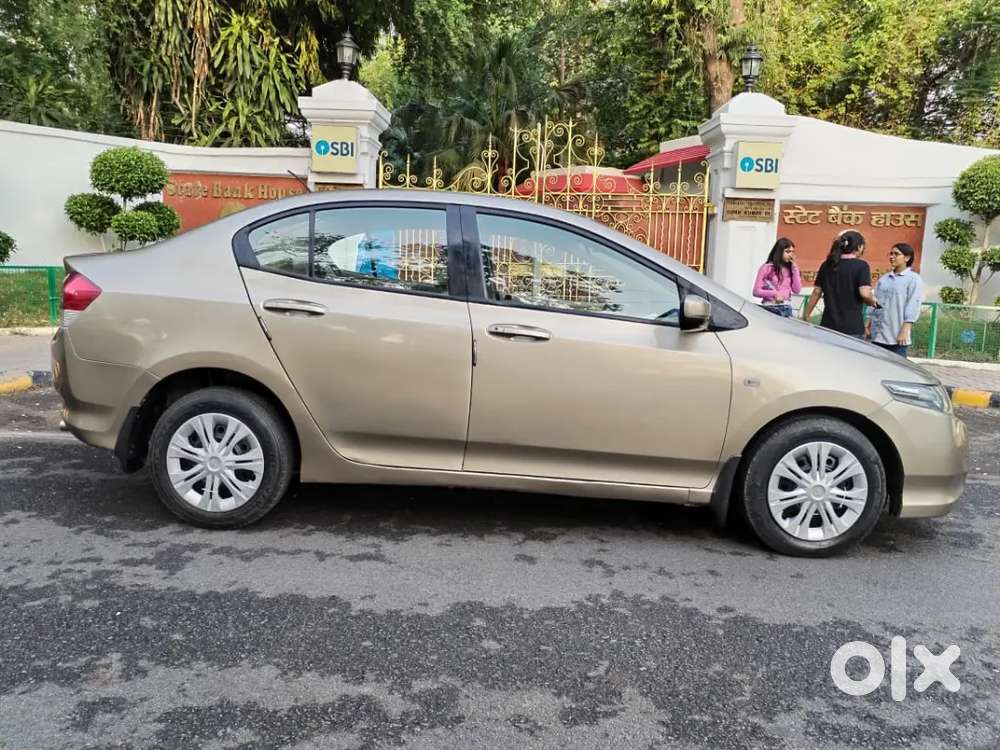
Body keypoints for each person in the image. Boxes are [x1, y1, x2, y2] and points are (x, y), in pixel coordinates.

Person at [802, 230, 879, 336]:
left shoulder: (826, 265)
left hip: (828, 325)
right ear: (859, 247)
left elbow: (817, 291)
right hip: (852, 327)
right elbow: (865, 293)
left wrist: (806, 315)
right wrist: (872, 301)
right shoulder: (861, 266)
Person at [866, 243, 922, 357]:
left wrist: (905, 330)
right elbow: (874, 302)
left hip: (896, 336)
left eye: (896, 254)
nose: (892, 257)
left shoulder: (913, 279)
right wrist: (867, 324)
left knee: (896, 371)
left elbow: (913, 305)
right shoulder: (884, 279)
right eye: (890, 254)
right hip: (878, 335)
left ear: (907, 257)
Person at [752, 238, 801, 317]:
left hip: (786, 307)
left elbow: (797, 290)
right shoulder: (767, 268)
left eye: (792, 252)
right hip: (771, 307)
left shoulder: (790, 269)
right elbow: (756, 291)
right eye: (788, 252)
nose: (791, 255)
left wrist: (795, 268)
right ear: (779, 252)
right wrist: (774, 294)